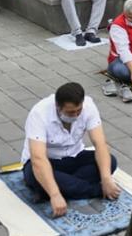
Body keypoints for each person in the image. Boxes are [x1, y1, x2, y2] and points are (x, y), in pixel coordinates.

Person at [22, 82, 120, 214]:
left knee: (110, 162)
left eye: (78, 111)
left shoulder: (89, 107)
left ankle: (53, 189)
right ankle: (94, 190)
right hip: (48, 162)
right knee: (34, 175)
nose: (75, 115)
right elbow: (38, 159)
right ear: (58, 106)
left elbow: (100, 144)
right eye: (70, 112)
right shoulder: (39, 114)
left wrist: (106, 178)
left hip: (75, 156)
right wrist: (55, 195)